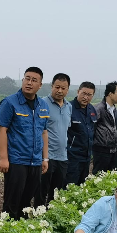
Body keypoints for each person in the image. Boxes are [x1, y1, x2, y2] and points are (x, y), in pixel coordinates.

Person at [0, 67, 49, 220]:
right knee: (12, 202)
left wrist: (45, 158)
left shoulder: (42, 105)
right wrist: (3, 158)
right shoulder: (10, 102)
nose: (29, 82)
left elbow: (44, 133)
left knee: (26, 201)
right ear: (22, 80)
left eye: (34, 80)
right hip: (16, 160)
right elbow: (2, 130)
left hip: (35, 161)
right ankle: (6, 231)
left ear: (40, 85)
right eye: (27, 78)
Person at [33, 73, 71, 207]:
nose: (60, 91)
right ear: (52, 86)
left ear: (68, 89)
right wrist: (44, 157)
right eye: (57, 87)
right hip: (46, 156)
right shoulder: (42, 103)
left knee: (57, 192)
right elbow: (38, 130)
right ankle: (37, 217)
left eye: (63, 88)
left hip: (62, 156)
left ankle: (51, 218)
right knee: (41, 190)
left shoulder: (68, 106)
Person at [66, 82, 97, 186]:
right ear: (78, 92)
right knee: (69, 186)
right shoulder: (68, 108)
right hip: (72, 157)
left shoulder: (91, 109)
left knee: (81, 186)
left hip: (87, 157)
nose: (86, 97)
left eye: (89, 95)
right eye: (83, 93)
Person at [92, 81, 117, 174]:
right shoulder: (99, 109)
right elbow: (92, 127)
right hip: (101, 150)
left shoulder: (114, 109)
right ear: (110, 94)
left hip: (112, 149)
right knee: (99, 175)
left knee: (109, 176)